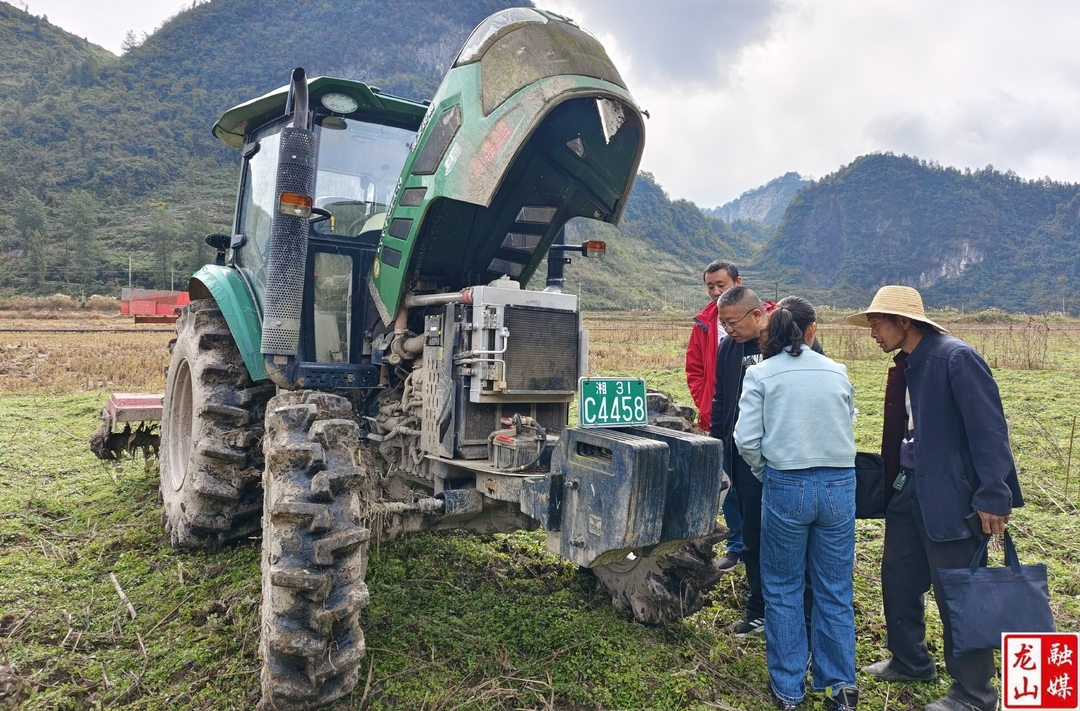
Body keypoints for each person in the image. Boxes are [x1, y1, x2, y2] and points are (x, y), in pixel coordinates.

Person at [847, 286, 1024, 711]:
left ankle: (974, 693)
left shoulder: (955, 358)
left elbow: (989, 431)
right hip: (908, 488)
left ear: (904, 321)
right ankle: (910, 661)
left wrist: (993, 494)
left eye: (877, 323)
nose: (873, 333)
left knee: (959, 591)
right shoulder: (908, 363)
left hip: (952, 494)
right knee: (899, 577)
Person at [734, 296, 858, 711]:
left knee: (783, 586)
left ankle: (789, 689)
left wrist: (765, 472)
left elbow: (745, 439)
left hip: (787, 481)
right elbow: (848, 419)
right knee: (835, 588)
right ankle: (840, 686)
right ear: (811, 331)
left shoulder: (760, 374)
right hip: (840, 482)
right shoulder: (837, 370)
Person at [710, 286, 817, 638]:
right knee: (753, 538)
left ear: (757, 315)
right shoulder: (728, 349)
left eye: (733, 322)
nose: (728, 330)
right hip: (745, 458)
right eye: (723, 324)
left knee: (793, 541)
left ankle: (802, 614)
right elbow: (721, 400)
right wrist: (719, 448)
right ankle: (758, 608)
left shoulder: (789, 343)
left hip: (788, 460)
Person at [686, 259, 744, 572]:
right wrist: (706, 405)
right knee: (729, 485)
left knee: (762, 485)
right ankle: (737, 548)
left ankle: (764, 546)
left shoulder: (765, 315)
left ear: (737, 282)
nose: (715, 291)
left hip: (757, 418)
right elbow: (694, 369)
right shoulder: (704, 323)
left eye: (721, 284)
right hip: (720, 418)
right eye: (710, 286)